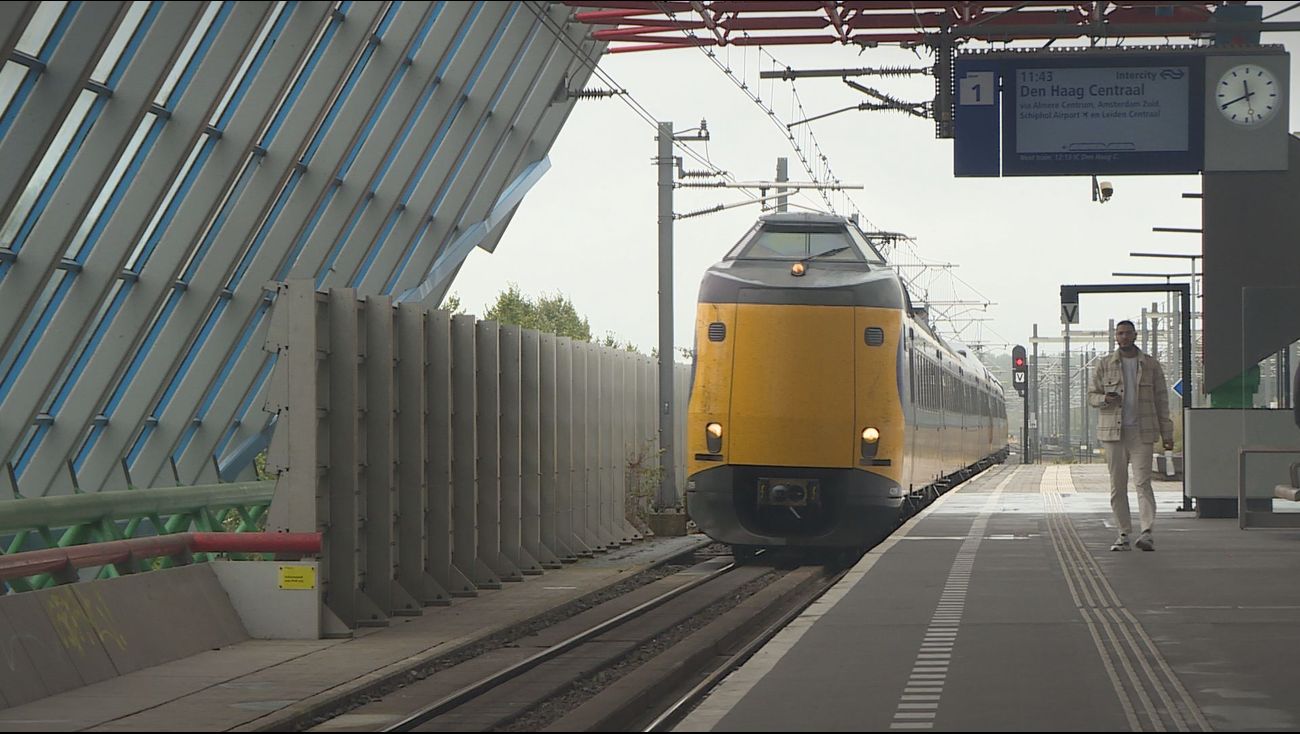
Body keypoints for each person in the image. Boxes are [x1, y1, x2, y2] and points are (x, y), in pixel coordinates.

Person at [1088, 320, 1174, 552]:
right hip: (1113, 433)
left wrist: (1167, 433)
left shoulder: (1151, 366)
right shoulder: (1104, 365)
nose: (1124, 337)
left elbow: (1162, 401)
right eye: (1120, 333)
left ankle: (1146, 532)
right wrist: (1104, 399)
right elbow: (1091, 395)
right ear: (1115, 337)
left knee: (1142, 482)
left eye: (1128, 333)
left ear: (1135, 335)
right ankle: (1123, 533)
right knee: (1117, 485)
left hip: (1142, 431)